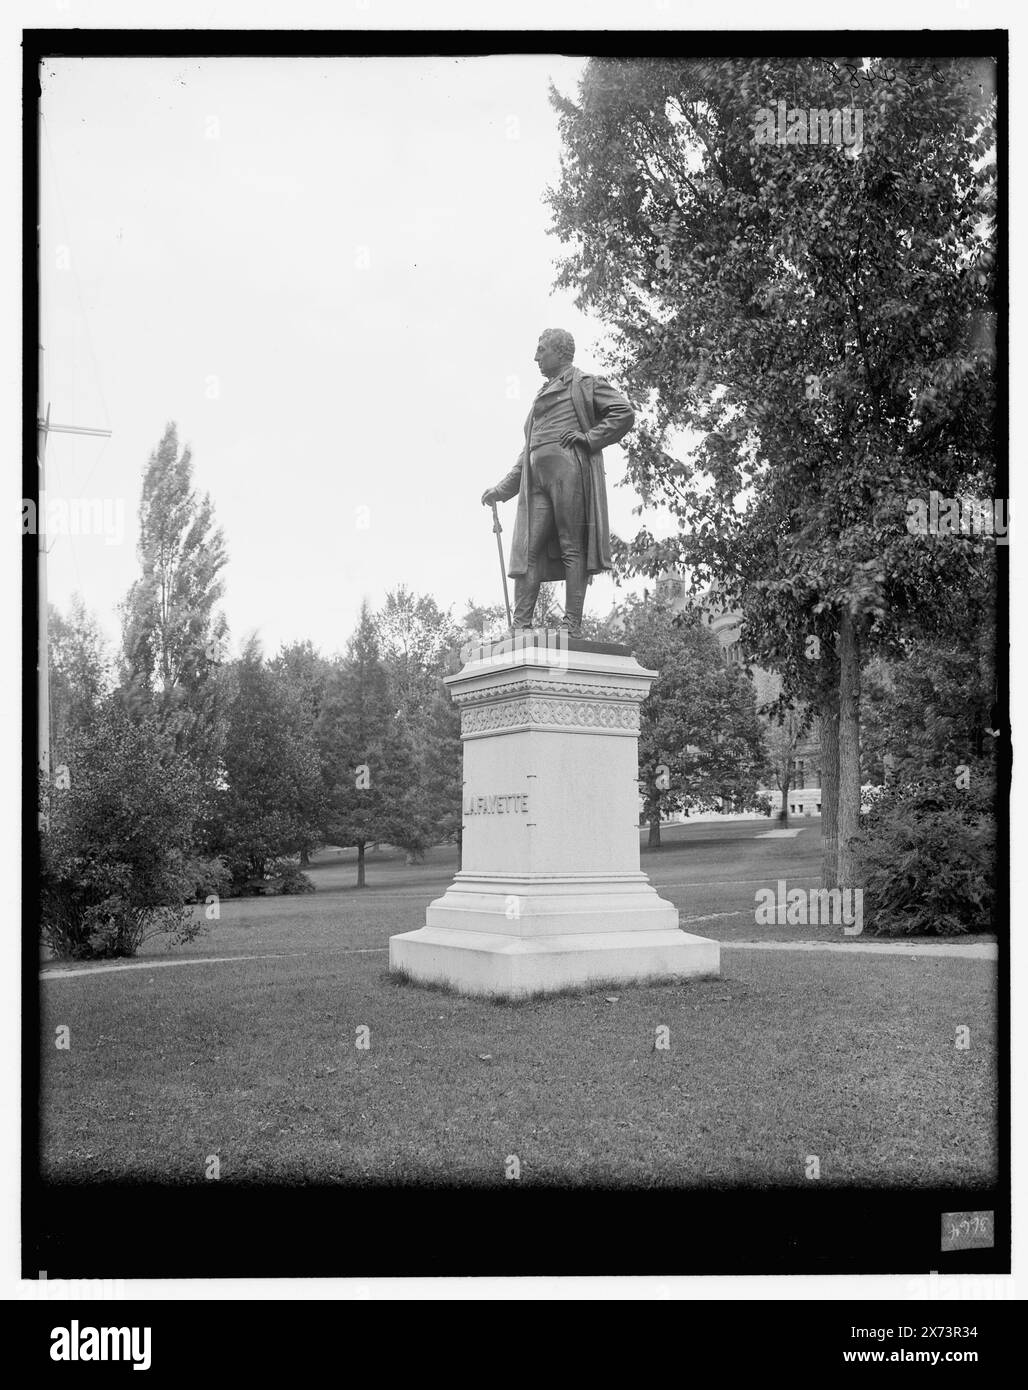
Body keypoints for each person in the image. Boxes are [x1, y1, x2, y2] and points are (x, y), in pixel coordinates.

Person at [480, 328, 634, 636]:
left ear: (561, 352)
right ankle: (520, 626)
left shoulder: (585, 383)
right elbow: (528, 451)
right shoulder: (541, 394)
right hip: (536, 480)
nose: (535, 357)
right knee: (528, 550)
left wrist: (589, 438)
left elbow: (623, 412)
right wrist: (502, 489)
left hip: (568, 471)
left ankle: (571, 625)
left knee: (571, 546)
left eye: (542, 350)